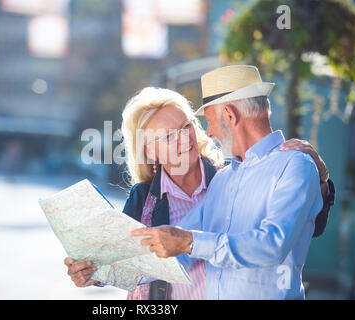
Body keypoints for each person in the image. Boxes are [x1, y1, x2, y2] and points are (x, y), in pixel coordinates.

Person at [65, 84, 334, 299]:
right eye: (168, 136)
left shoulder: (236, 174)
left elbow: (297, 232)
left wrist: (321, 180)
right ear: (150, 150)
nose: (204, 134)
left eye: (188, 126)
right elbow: (153, 256)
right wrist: (98, 271)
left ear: (230, 115)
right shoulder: (214, 183)